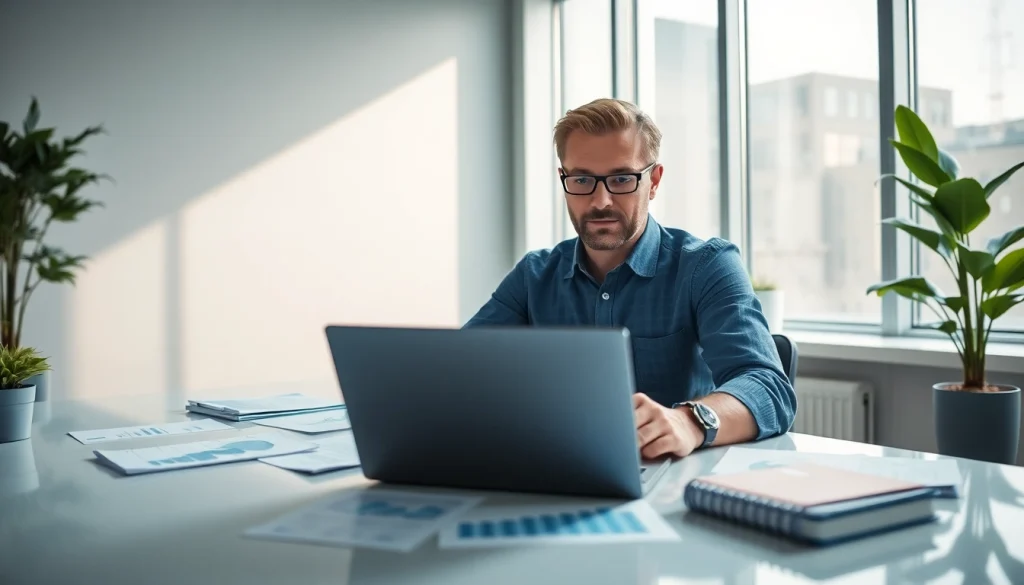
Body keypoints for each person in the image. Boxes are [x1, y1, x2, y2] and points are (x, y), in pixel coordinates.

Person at [465, 98, 796, 460]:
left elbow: (769, 388)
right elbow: (454, 371)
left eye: (622, 179)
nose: (601, 200)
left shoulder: (707, 266)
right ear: (564, 180)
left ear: (653, 181)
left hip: (672, 480)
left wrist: (688, 422)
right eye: (582, 180)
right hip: (559, 470)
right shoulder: (534, 276)